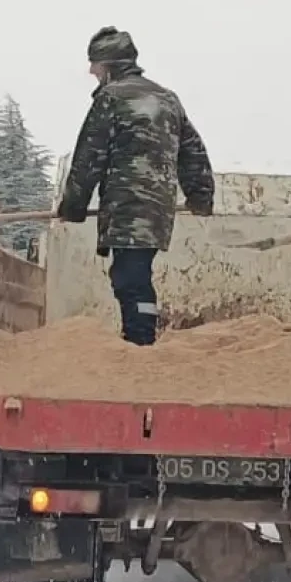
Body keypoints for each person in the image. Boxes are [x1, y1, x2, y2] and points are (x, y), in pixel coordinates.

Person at [55, 26, 215, 345]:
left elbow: (89, 156)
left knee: (130, 278)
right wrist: (200, 197)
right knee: (134, 272)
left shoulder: (112, 97)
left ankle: (140, 341)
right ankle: (140, 335)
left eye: (95, 63)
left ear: (109, 64)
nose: (91, 70)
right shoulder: (167, 98)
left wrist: (72, 207)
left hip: (128, 203)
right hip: (157, 208)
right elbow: (193, 151)